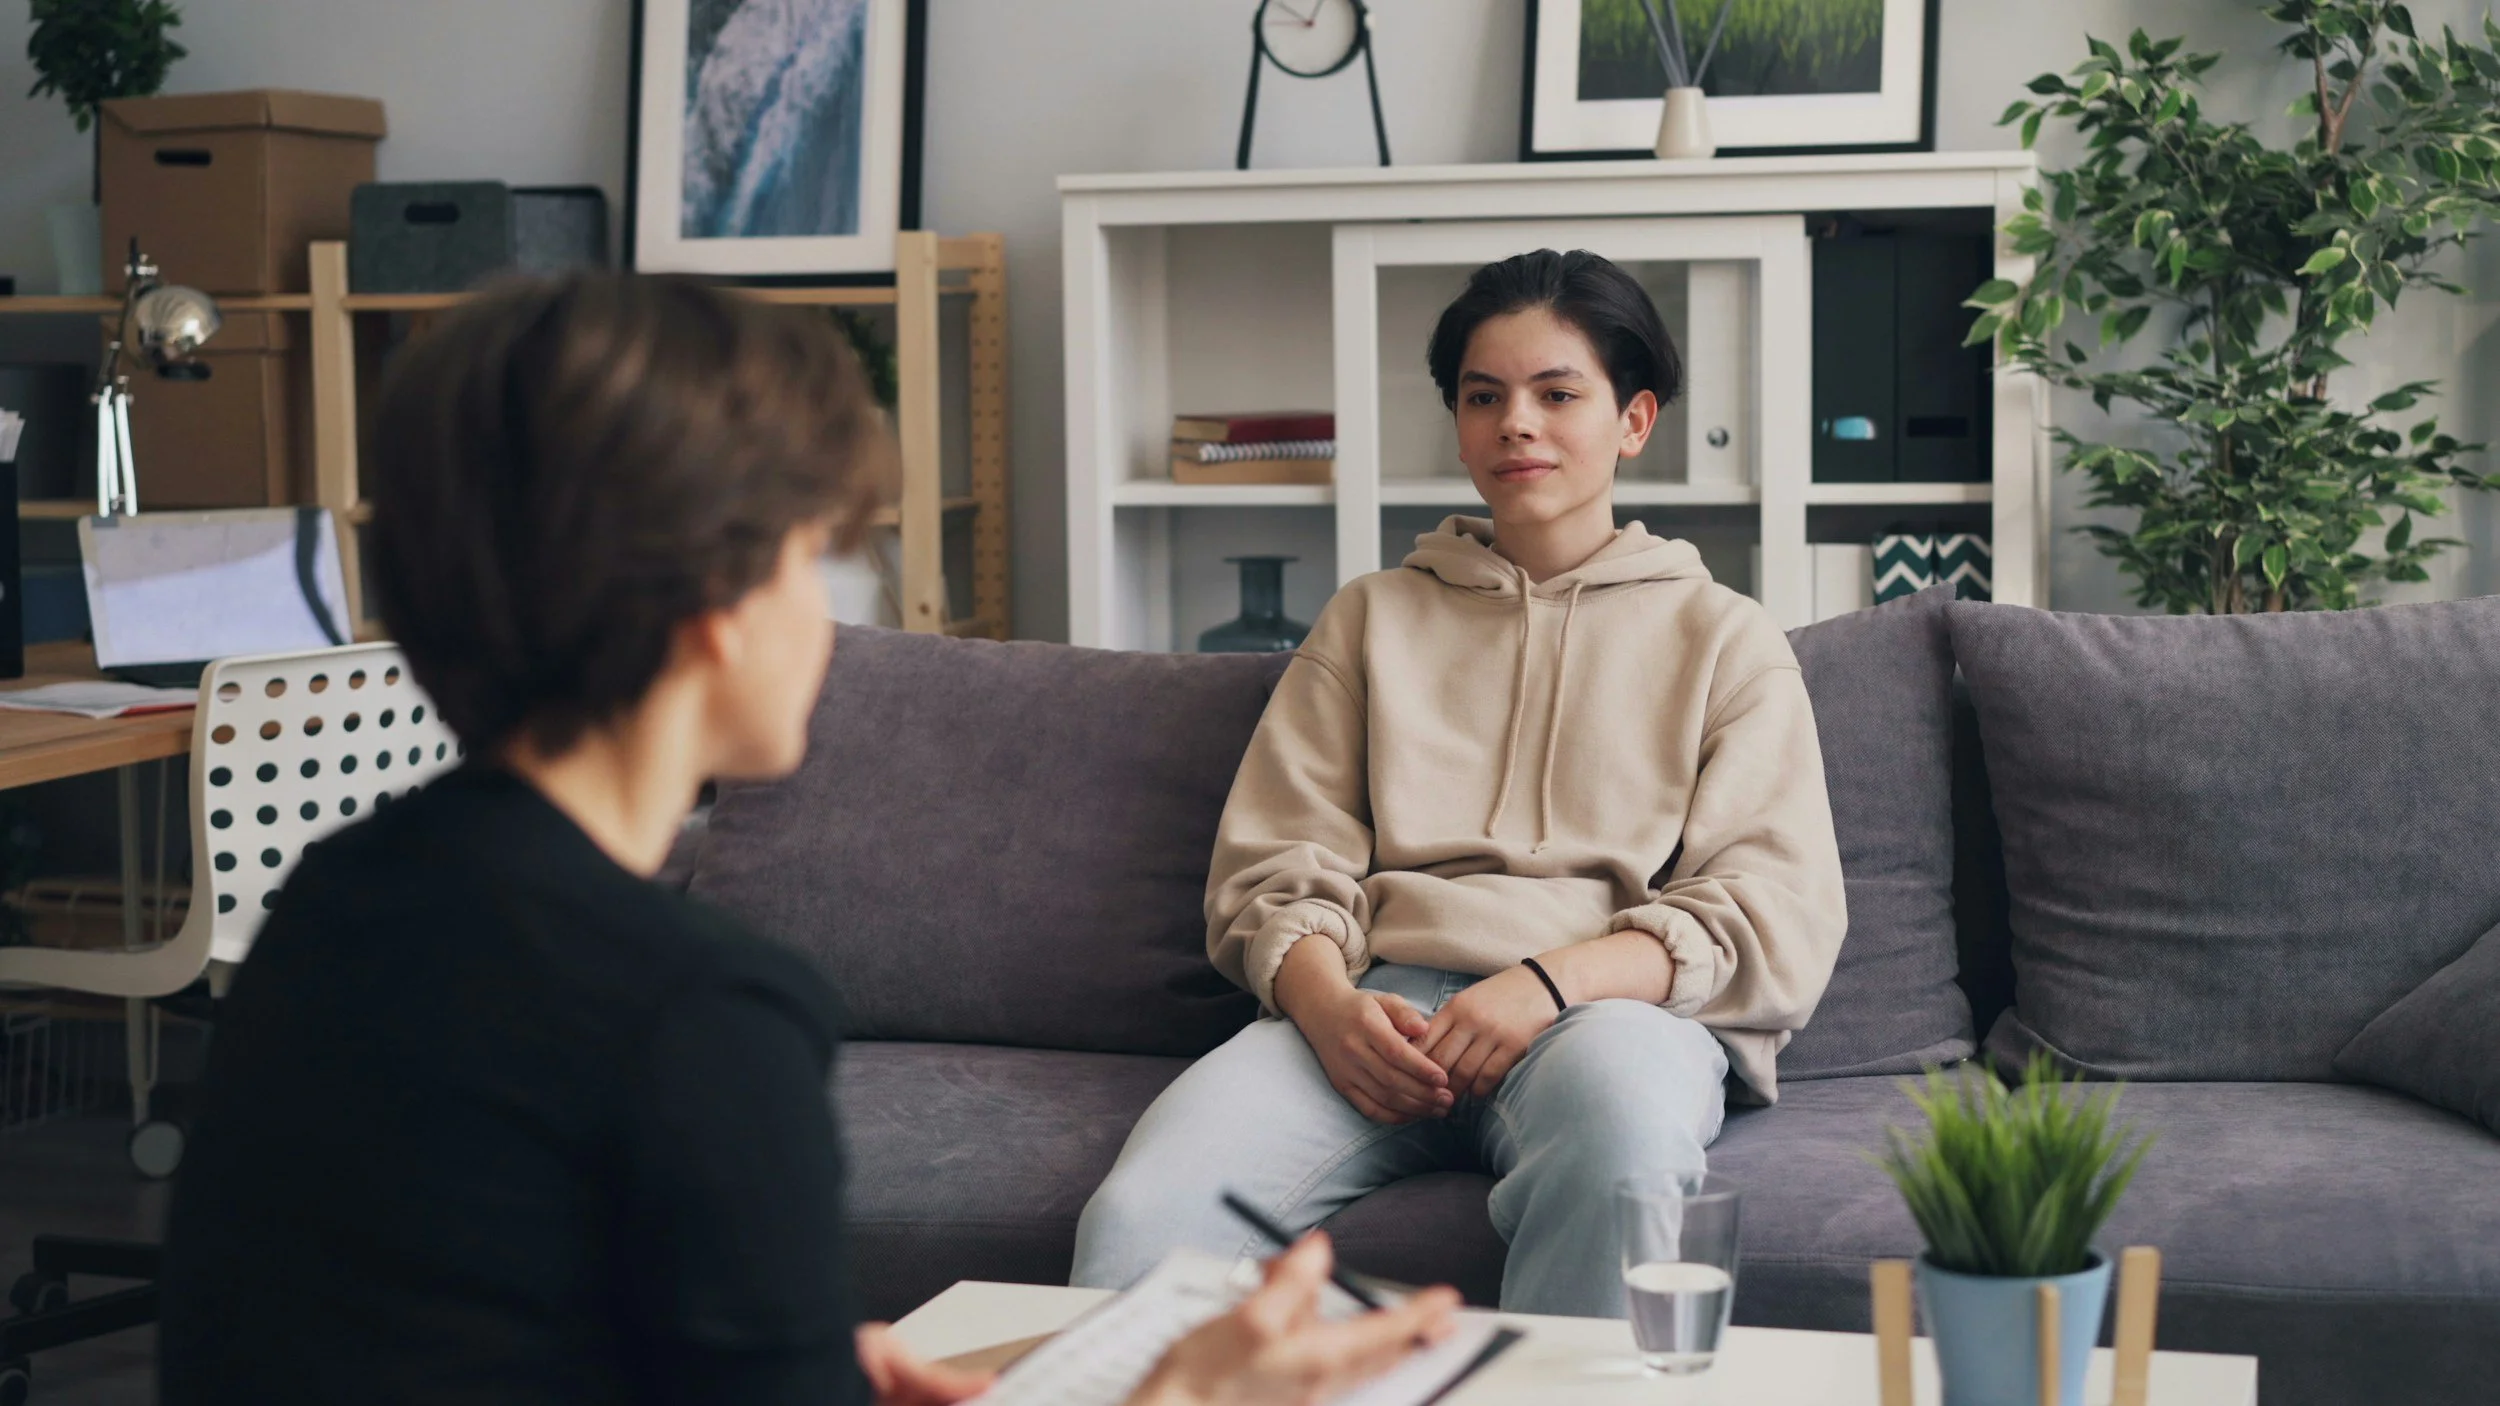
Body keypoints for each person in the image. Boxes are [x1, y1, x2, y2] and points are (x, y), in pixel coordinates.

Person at [158, 272, 1455, 1406]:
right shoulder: (697, 1005)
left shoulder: (338, 898)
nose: (834, 614)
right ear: (710, 607)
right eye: (815, 558)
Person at [1072, 249, 1849, 1317]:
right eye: (1483, 397)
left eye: (1557, 393)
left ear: (1634, 420)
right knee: (1142, 1218)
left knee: (1625, 1159)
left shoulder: (1724, 638)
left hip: (1599, 1018)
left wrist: (1546, 982)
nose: (1514, 423)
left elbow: (1770, 908)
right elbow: (1275, 859)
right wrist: (1328, 1004)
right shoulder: (1370, 617)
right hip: (1373, 1008)